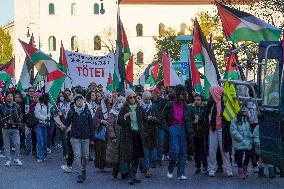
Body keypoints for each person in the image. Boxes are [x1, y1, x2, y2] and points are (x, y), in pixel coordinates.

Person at [59, 94, 94, 183]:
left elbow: (91, 125)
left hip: (86, 137)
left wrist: (92, 139)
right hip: (75, 137)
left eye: (81, 100)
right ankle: (79, 173)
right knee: (77, 155)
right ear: (75, 102)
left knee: (85, 156)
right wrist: (61, 116)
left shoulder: (87, 111)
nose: (80, 102)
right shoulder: (71, 111)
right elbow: (66, 123)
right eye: (78, 100)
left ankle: (84, 169)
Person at [161, 85, 193, 180]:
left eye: (183, 93)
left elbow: (188, 119)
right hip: (173, 128)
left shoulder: (186, 106)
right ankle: (171, 167)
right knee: (174, 151)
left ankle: (181, 173)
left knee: (183, 152)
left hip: (182, 128)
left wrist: (190, 131)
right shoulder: (169, 104)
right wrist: (168, 129)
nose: (182, 96)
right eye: (180, 93)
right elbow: (162, 117)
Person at [118, 89, 145, 185]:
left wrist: (143, 130)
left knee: (137, 156)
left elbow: (144, 120)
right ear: (127, 98)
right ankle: (130, 176)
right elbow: (119, 121)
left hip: (138, 134)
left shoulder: (139, 107)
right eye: (131, 97)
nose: (133, 98)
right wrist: (125, 116)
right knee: (130, 156)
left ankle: (133, 175)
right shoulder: (124, 108)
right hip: (129, 135)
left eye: (134, 96)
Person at [207, 86, 233, 177]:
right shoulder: (211, 103)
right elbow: (207, 114)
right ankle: (211, 169)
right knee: (212, 150)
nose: (210, 94)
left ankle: (228, 169)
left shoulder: (225, 103)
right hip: (213, 129)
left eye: (211, 92)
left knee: (225, 150)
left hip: (223, 129)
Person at [0, 92, 23, 166]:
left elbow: (21, 116)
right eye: (9, 96)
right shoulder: (2, 106)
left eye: (11, 96)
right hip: (5, 128)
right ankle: (8, 160)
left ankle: (17, 159)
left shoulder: (17, 106)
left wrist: (19, 119)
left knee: (17, 144)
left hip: (15, 127)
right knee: (6, 145)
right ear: (6, 98)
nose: (10, 97)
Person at [141, 91, 160, 178]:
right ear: (143, 99)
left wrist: (154, 118)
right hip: (144, 133)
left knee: (152, 153)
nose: (148, 101)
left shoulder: (154, 107)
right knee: (145, 153)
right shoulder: (139, 108)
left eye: (149, 99)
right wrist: (146, 119)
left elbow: (159, 120)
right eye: (146, 99)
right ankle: (146, 170)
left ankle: (146, 167)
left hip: (152, 133)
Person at [106, 96, 126, 178]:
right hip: (116, 137)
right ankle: (115, 170)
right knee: (115, 155)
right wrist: (113, 136)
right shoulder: (112, 112)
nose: (121, 103)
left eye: (122, 101)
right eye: (119, 101)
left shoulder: (127, 111)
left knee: (124, 155)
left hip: (124, 137)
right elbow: (110, 125)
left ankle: (124, 172)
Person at [230, 107, 253, 179]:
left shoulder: (247, 120)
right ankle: (240, 170)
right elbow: (233, 131)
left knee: (249, 154)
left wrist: (251, 138)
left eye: (245, 110)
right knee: (239, 155)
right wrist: (240, 138)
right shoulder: (235, 120)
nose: (244, 111)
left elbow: (249, 130)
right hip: (239, 141)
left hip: (247, 140)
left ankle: (245, 168)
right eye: (242, 110)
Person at [94, 92, 112, 170]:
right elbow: (95, 119)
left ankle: (107, 162)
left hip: (109, 131)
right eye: (109, 97)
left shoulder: (111, 108)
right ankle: (100, 163)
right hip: (102, 131)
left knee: (107, 148)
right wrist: (101, 121)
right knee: (100, 148)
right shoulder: (100, 108)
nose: (111, 99)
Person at [191, 94, 208, 174]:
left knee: (204, 151)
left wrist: (199, 119)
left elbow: (206, 118)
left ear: (201, 101)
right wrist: (193, 121)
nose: (196, 101)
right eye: (195, 100)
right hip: (195, 133)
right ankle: (197, 167)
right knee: (196, 151)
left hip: (203, 132)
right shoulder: (192, 108)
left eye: (198, 100)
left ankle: (205, 166)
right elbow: (189, 118)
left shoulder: (204, 108)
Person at [34, 93, 50, 162]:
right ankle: (39, 156)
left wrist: (48, 117)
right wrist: (45, 118)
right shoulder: (38, 104)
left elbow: (50, 113)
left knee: (45, 140)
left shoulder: (49, 105)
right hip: (39, 124)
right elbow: (37, 114)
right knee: (40, 140)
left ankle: (44, 155)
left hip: (45, 125)